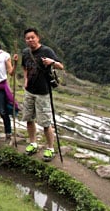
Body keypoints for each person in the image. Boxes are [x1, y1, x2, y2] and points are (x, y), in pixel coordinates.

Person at [21, 27, 64, 161]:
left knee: (45, 122)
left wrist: (52, 62)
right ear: (25, 40)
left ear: (38, 38)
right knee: (29, 118)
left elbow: (61, 66)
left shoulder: (46, 50)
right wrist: (26, 79)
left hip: (43, 92)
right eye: (28, 38)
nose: (30, 40)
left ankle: (50, 149)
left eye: (32, 37)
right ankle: (33, 143)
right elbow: (25, 67)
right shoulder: (26, 52)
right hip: (29, 91)